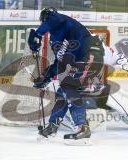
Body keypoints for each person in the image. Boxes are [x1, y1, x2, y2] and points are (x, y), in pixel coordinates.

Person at [28, 7, 106, 140]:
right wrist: (45, 77)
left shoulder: (61, 20)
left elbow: (53, 18)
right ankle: (52, 126)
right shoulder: (56, 38)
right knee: (62, 90)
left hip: (91, 54)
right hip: (81, 60)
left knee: (69, 87)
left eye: (44, 22)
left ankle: (83, 128)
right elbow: (60, 61)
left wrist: (38, 34)